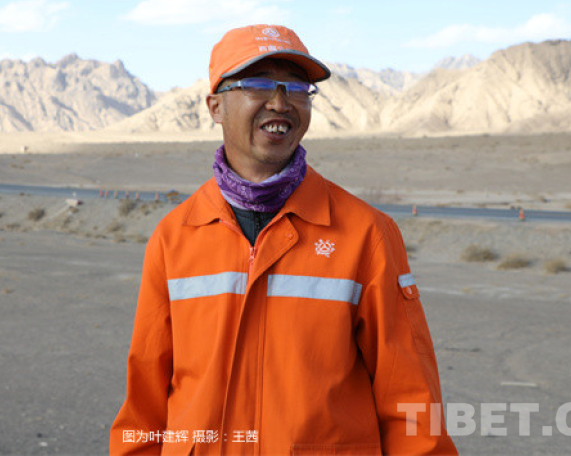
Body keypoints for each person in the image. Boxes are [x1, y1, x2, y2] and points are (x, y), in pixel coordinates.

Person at [111, 24, 457, 455]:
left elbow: (411, 401)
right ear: (215, 107)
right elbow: (144, 404)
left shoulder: (366, 234)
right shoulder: (174, 236)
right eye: (258, 84)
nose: (280, 102)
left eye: (296, 88)